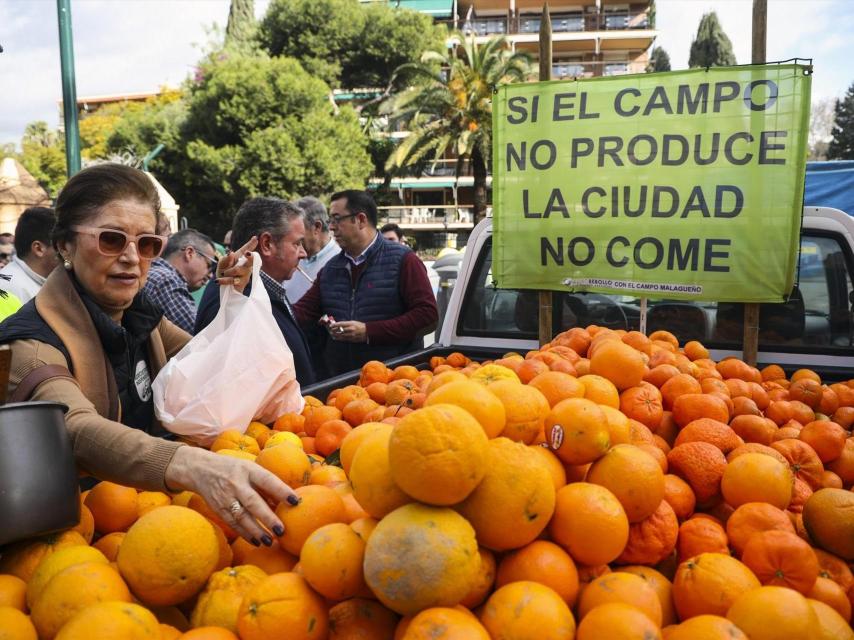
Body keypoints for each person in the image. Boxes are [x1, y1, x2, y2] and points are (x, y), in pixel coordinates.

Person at [0, 164, 297, 545]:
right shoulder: (33, 343)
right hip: (80, 547)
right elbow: (72, 427)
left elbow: (211, 368)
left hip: (162, 525)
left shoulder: (142, 317)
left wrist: (234, 300)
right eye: (111, 239)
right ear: (64, 245)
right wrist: (187, 463)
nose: (131, 257)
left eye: (147, 244)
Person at [295, 190, 438, 377]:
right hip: (342, 385)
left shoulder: (404, 260)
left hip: (394, 380)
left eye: (337, 219)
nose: (331, 227)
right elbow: (302, 313)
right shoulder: (331, 269)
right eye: (331, 220)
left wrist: (369, 332)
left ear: (361, 220)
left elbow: (427, 316)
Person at [195, 198, 316, 386]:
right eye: (297, 244)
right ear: (267, 244)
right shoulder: (234, 296)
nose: (303, 253)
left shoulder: (257, 290)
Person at [141, 229, 217, 333]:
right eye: (209, 265)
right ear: (189, 253)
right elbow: (201, 338)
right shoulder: (166, 280)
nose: (211, 275)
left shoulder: (158, 275)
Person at [283, 196, 338, 303]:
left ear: (317, 227)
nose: (290, 236)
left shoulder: (340, 262)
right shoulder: (290, 257)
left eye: (297, 229)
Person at [0, 206, 57, 303]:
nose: (68, 252)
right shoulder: (8, 287)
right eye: (62, 246)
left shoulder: (49, 282)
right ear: (38, 249)